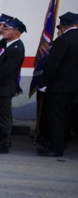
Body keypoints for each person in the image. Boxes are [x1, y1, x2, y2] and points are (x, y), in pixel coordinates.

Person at [37, 11, 78, 157]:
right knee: (67, 117)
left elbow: (53, 64)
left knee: (56, 118)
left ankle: (55, 147)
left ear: (63, 26)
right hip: (74, 87)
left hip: (59, 86)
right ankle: (62, 142)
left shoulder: (63, 40)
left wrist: (44, 83)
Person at [0, 16, 25, 154]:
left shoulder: (17, 48)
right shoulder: (7, 45)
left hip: (4, 88)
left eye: (8, 29)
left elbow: (6, 72)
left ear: (16, 32)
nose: (4, 31)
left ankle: (4, 144)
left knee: (3, 118)